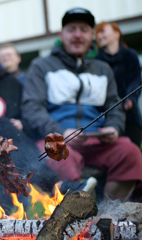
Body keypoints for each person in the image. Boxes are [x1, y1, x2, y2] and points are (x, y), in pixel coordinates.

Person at [0, 28, 97, 215]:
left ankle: (4, 217)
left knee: (4, 149)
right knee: (2, 132)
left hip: (9, 154)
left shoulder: (11, 84)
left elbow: (29, 122)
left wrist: (23, 125)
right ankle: (56, 186)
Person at [22, 7, 142, 203]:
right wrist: (59, 131)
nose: (78, 35)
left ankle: (107, 215)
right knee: (56, 156)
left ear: (92, 35)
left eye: (84, 30)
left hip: (100, 141)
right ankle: (75, 218)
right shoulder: (41, 66)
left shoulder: (103, 69)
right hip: (58, 140)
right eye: (72, 29)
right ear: (61, 34)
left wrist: (114, 127)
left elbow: (114, 103)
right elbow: (32, 107)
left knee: (130, 153)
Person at [95, 21, 142, 147]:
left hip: (130, 119)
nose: (99, 36)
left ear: (116, 34)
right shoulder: (96, 62)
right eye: (97, 33)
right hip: (107, 122)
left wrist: (131, 99)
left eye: (103, 31)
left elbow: (136, 80)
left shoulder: (130, 55)